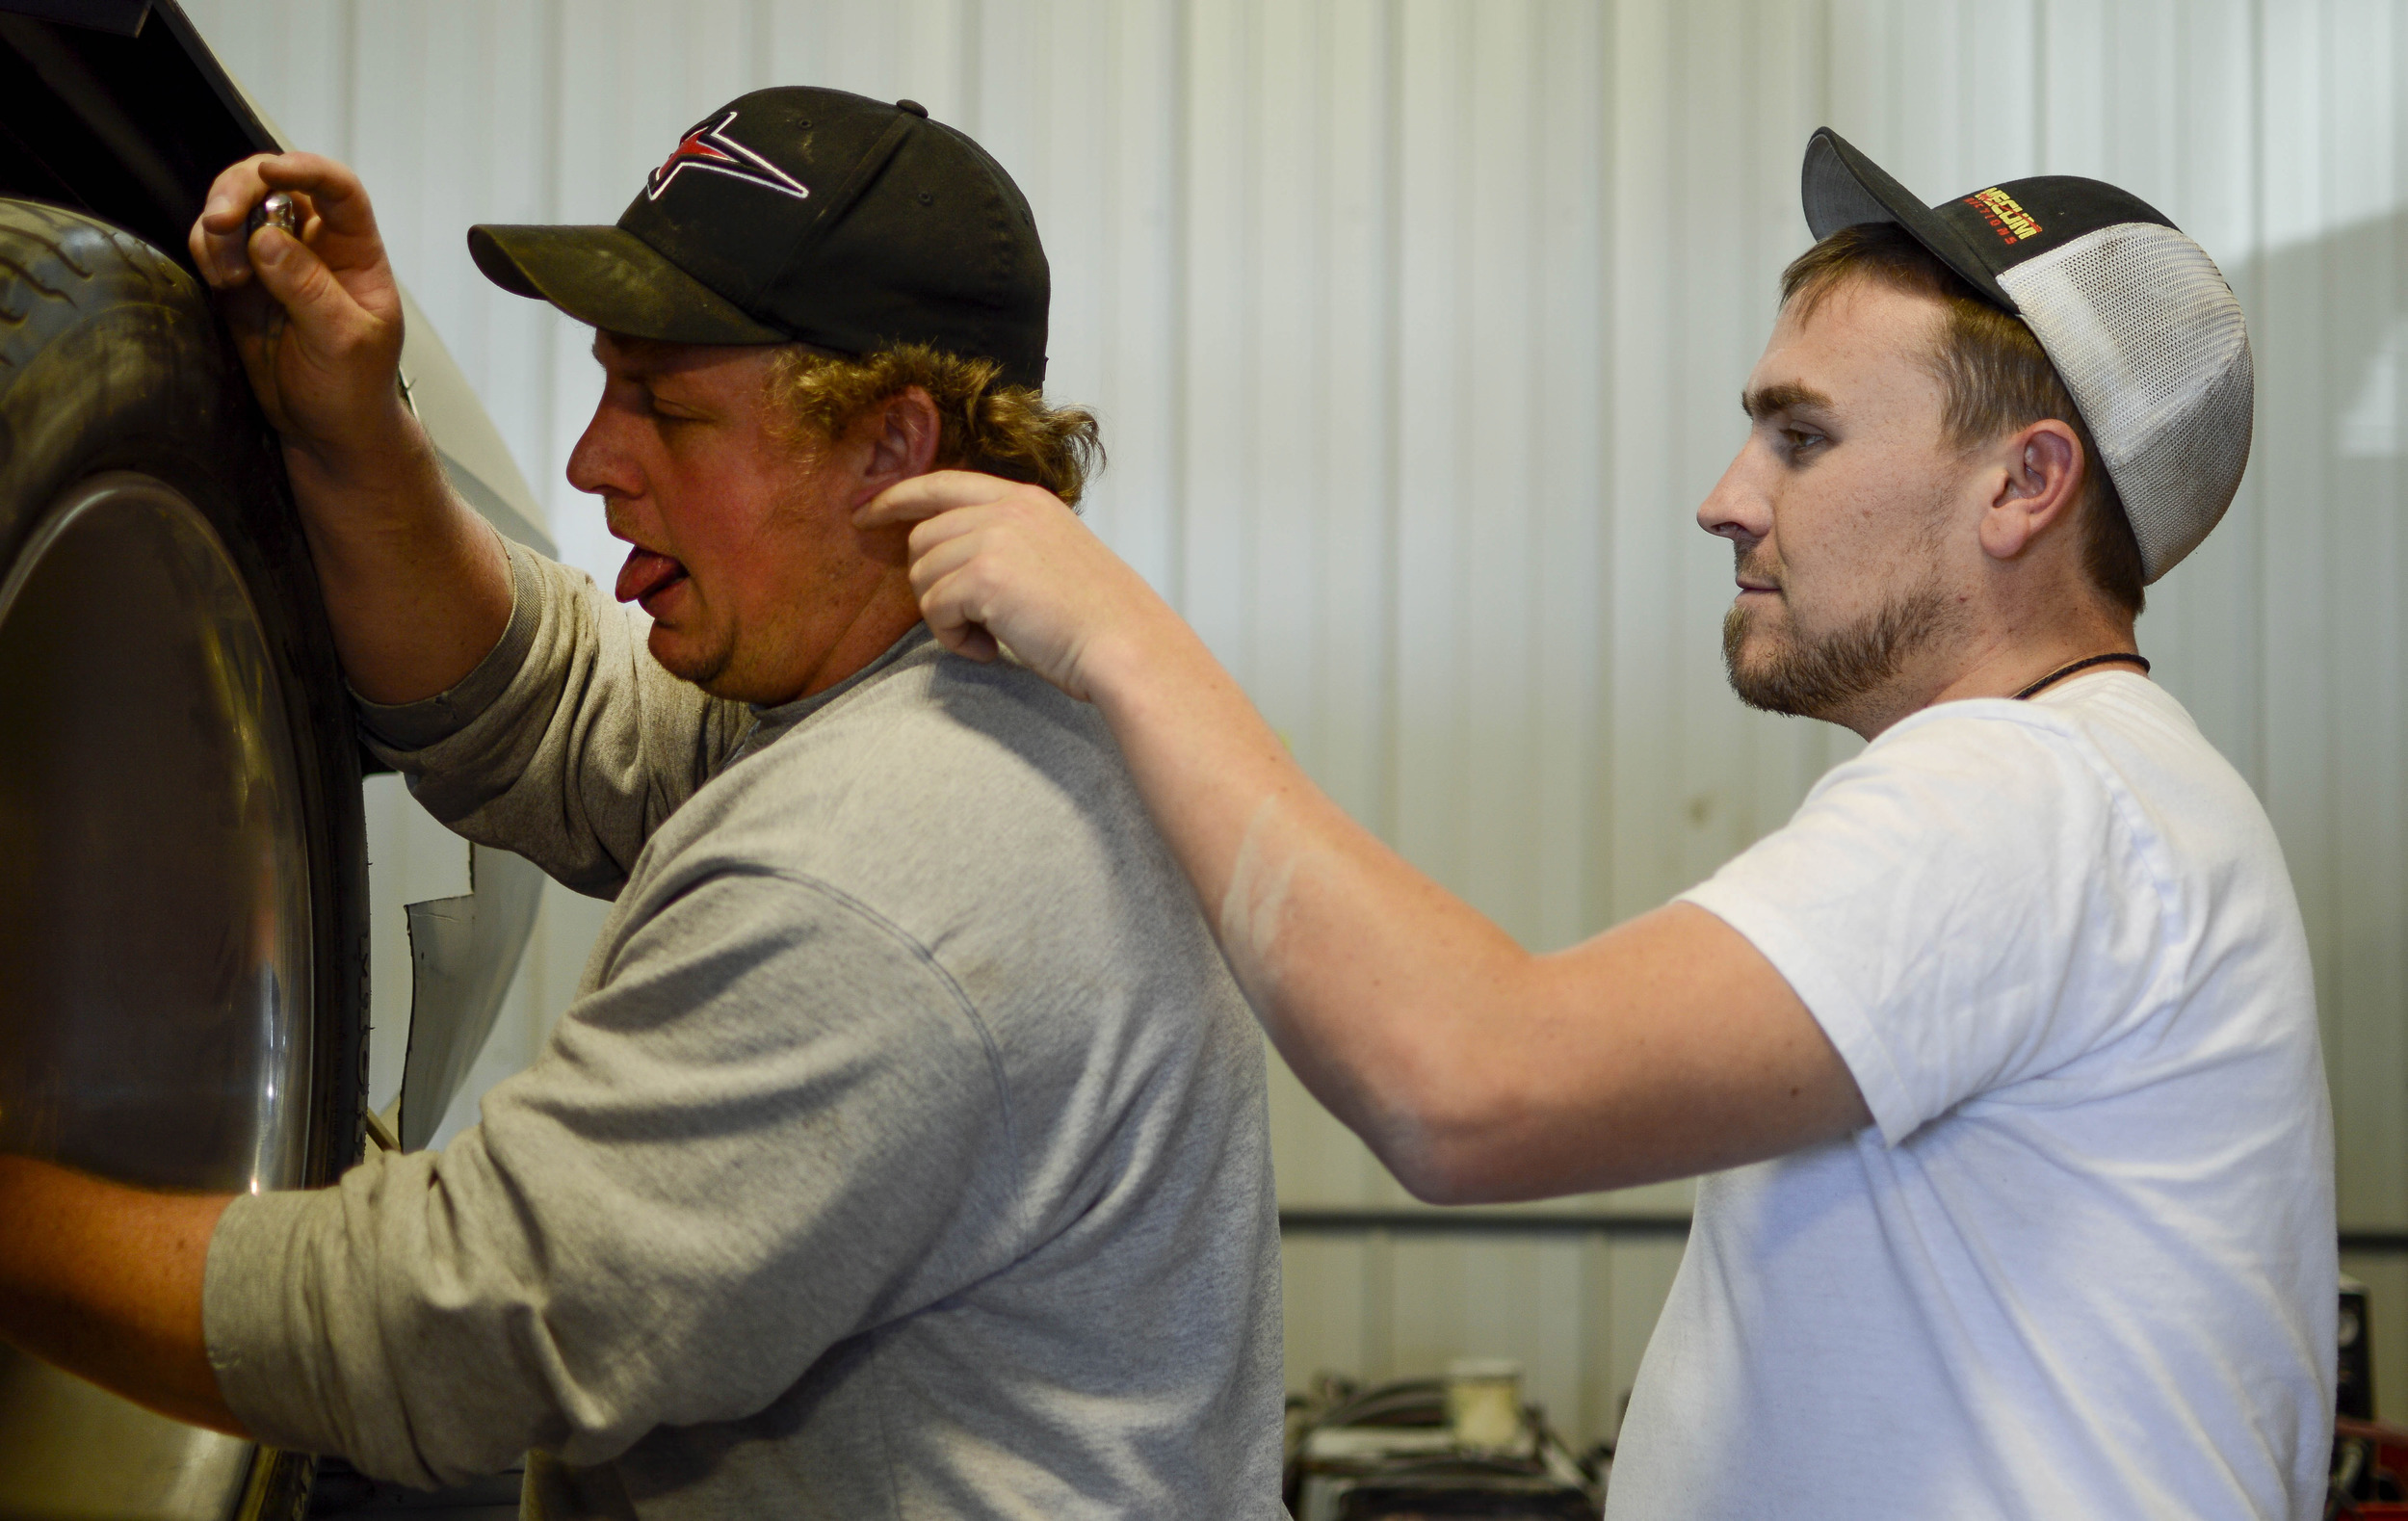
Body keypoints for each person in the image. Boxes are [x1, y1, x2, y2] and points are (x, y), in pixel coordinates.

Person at [863, 129, 2338, 1518]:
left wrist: (1124, 640)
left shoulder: (2028, 796)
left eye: (1801, 439)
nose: (1726, 499)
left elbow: (1467, 1084)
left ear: (2023, 485)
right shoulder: (2122, 793)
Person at [0, 88, 1286, 1518]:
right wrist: (350, 435)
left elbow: (449, 1333)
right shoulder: (933, 692)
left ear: (890, 448)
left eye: (664, 407)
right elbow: (545, 709)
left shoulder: (888, 871)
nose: (592, 461)